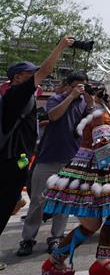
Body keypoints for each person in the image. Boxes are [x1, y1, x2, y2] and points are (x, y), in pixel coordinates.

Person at [40, 57, 110, 275]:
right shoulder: (103, 116)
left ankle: (93, 262)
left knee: (107, 217)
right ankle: (63, 261)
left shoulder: (104, 113)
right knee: (100, 219)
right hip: (91, 173)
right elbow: (102, 148)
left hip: (98, 173)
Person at [0, 36, 74, 237]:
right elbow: (46, 70)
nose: (36, 76)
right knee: (5, 204)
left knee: (10, 202)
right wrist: (60, 46)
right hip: (11, 160)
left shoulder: (22, 97)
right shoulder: (17, 94)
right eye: (30, 74)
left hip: (20, 159)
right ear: (17, 77)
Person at [17, 70, 91, 257]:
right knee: (37, 201)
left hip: (71, 158)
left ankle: (56, 237)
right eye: (77, 86)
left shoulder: (83, 102)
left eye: (83, 86)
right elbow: (54, 116)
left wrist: (90, 104)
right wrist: (71, 96)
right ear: (68, 85)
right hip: (48, 158)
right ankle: (28, 239)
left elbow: (86, 127)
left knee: (64, 200)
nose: (80, 90)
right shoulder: (57, 99)